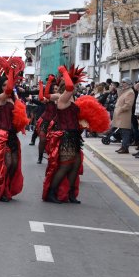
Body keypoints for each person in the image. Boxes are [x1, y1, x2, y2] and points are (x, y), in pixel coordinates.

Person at [43, 66, 84, 204]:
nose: (76, 86)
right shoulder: (62, 99)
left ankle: (71, 193)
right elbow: (46, 96)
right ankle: (51, 193)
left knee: (76, 164)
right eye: (75, 83)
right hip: (65, 135)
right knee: (65, 165)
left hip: (75, 136)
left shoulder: (72, 98)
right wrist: (64, 72)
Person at [0, 70, 24, 202]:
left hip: (12, 134)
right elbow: (9, 88)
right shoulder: (0, 98)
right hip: (1, 134)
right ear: (0, 87)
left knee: (14, 164)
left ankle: (7, 189)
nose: (6, 87)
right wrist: (10, 72)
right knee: (7, 163)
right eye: (3, 85)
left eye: (6, 85)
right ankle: (1, 191)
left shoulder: (13, 98)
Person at [112, 77, 135, 154]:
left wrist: (120, 109)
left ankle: (125, 147)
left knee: (125, 132)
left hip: (124, 115)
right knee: (122, 132)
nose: (122, 84)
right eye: (122, 82)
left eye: (124, 82)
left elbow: (128, 105)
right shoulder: (125, 91)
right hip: (121, 115)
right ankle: (123, 146)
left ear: (128, 83)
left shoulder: (130, 92)